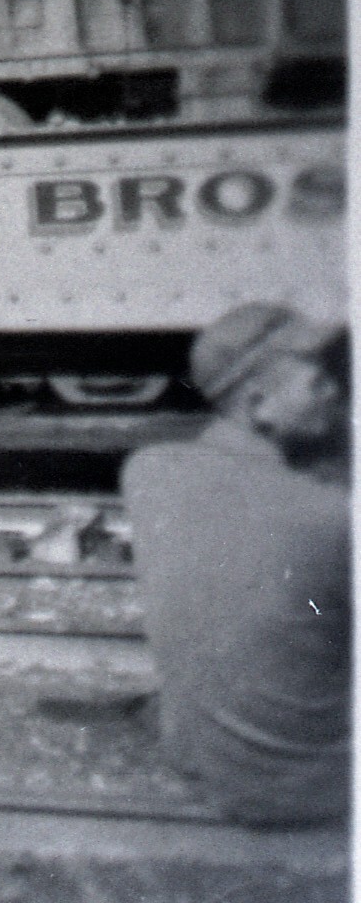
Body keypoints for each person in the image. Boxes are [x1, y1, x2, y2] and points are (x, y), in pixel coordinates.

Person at [120, 301, 350, 826]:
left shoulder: (147, 472)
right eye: (318, 383)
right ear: (259, 402)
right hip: (315, 790)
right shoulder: (331, 516)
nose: (337, 392)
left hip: (204, 769)